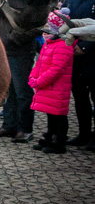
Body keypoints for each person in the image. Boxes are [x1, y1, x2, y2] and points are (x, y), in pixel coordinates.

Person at [29, 10, 75, 154]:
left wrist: (40, 81)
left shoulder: (63, 45)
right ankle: (50, 135)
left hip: (56, 87)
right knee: (51, 113)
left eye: (49, 30)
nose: (45, 33)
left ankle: (59, 140)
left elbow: (56, 69)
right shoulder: (49, 44)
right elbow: (39, 63)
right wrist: (33, 77)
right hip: (47, 86)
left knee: (59, 114)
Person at [61, 0, 95, 149]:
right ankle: (84, 133)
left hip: (91, 55)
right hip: (74, 57)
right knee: (80, 99)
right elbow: (66, 20)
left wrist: (85, 46)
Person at [0, 15, 39, 143]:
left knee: (22, 92)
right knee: (8, 91)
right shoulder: (4, 1)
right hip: (5, 52)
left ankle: (25, 129)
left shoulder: (27, 0)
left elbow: (38, 26)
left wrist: (13, 38)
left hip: (21, 53)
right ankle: (9, 125)